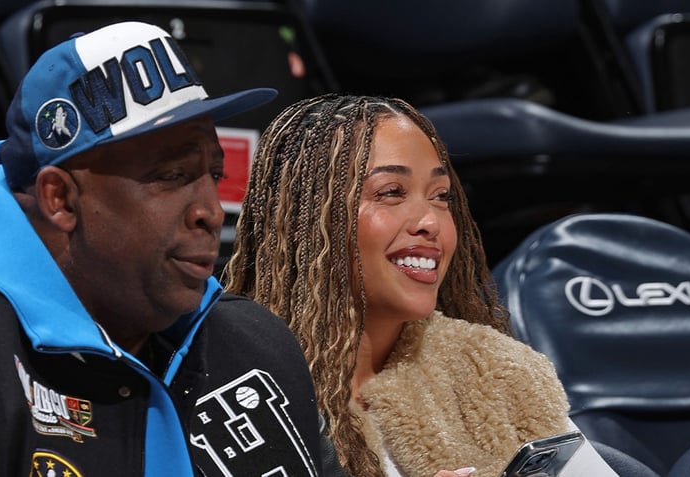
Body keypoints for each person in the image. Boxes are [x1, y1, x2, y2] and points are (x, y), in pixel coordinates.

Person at [0, 21, 342, 477]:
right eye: (172, 176)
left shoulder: (254, 343)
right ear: (60, 199)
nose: (211, 210)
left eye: (214, 175)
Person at [223, 94, 620, 477]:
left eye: (440, 196)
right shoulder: (240, 388)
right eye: (391, 193)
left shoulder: (494, 372)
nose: (429, 222)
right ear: (302, 221)